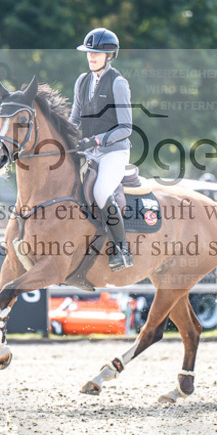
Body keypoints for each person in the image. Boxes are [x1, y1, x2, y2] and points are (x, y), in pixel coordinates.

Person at [69, 27, 134, 272]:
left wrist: (96, 140)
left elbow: (126, 127)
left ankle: (122, 249)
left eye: (96, 53)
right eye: (89, 53)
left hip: (114, 151)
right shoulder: (82, 81)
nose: (91, 57)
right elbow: (74, 119)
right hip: (88, 150)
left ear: (109, 55)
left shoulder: (118, 82)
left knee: (101, 190)